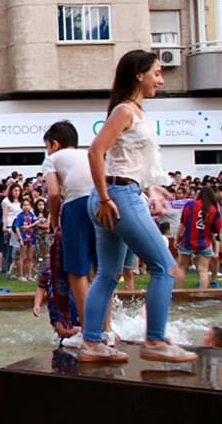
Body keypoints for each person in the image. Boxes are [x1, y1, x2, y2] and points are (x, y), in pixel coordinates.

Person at [82, 50, 195, 364]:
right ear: (138, 74)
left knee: (107, 274)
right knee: (165, 266)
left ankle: (91, 344)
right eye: (157, 73)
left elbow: (125, 160)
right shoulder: (125, 111)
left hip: (118, 193)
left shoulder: (131, 112)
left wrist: (151, 190)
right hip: (117, 196)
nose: (161, 79)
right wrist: (105, 198)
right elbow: (95, 152)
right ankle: (156, 340)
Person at [41, 120, 96, 328]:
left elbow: (54, 194)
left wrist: (55, 222)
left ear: (54, 144)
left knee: (77, 271)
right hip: (102, 202)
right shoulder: (89, 154)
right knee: (101, 272)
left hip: (77, 205)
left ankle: (88, 331)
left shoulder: (53, 159)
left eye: (47, 147)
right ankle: (106, 329)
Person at [174, 187, 222, 290]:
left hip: (187, 241)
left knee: (182, 268)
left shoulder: (190, 204)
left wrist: (177, 238)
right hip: (204, 243)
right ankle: (202, 294)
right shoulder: (214, 210)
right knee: (203, 270)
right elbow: (217, 229)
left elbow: (183, 223)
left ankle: (179, 292)